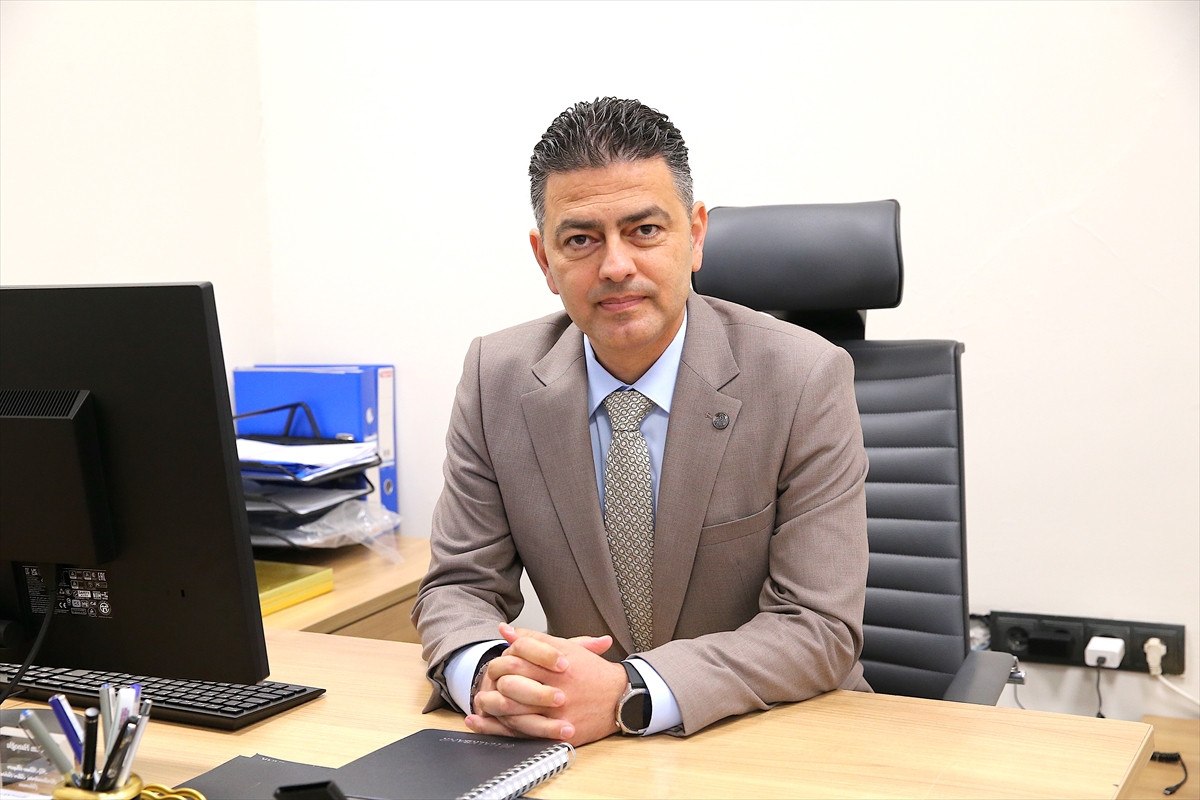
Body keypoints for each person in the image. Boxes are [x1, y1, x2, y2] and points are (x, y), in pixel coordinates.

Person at [413, 97, 870, 747]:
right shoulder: (498, 378)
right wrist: (491, 675)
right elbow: (459, 586)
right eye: (581, 239)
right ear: (545, 259)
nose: (616, 266)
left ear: (696, 235)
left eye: (645, 230)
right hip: (585, 751)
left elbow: (818, 626)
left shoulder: (803, 378)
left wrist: (630, 690)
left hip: (777, 736)